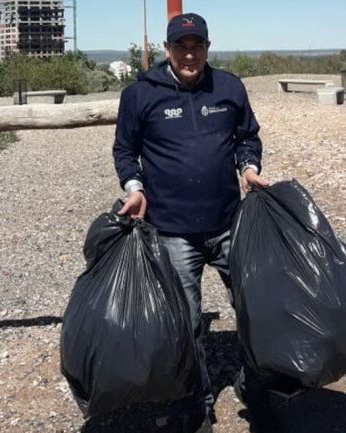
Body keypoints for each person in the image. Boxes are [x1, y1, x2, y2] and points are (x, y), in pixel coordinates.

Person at [112, 12, 269, 433]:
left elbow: (246, 137)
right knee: (186, 323)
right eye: (180, 46)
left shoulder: (230, 87)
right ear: (167, 50)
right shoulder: (140, 95)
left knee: (256, 308)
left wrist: (249, 167)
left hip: (228, 223)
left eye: (197, 46)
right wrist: (134, 187)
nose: (189, 54)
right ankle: (196, 404)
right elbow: (125, 150)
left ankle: (257, 386)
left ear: (207, 48)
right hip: (172, 228)